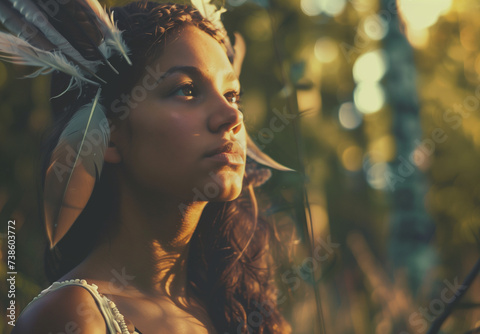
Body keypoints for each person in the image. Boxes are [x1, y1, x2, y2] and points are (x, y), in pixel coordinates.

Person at [5, 1, 293, 333]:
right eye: (186, 90)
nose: (233, 117)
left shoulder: (248, 315)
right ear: (107, 138)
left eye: (231, 94)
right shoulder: (73, 317)